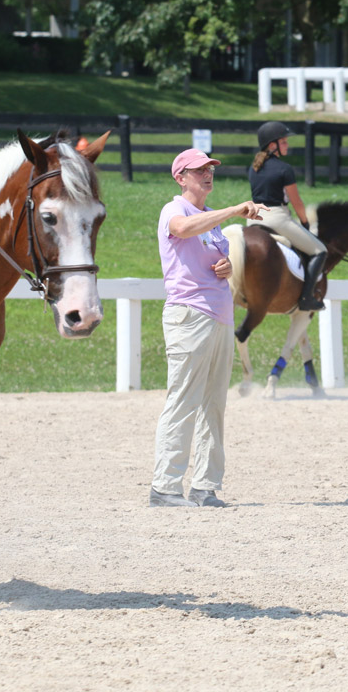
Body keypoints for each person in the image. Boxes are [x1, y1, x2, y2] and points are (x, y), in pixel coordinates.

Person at [153, 149, 265, 508]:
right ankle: (165, 487)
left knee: (214, 406)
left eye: (210, 169)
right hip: (190, 316)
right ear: (180, 177)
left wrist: (227, 267)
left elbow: (212, 255)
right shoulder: (175, 209)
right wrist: (235, 210)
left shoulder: (209, 219)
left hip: (219, 317)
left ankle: (205, 485)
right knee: (183, 401)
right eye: (199, 170)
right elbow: (182, 230)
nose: (207, 174)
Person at [248, 121, 327, 310]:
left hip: (253, 219)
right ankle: (307, 298)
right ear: (272, 145)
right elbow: (297, 202)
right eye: (283, 142)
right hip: (277, 218)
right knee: (320, 251)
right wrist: (305, 222)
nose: (287, 145)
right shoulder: (284, 169)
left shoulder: (254, 167)